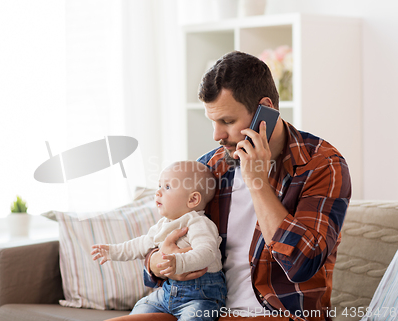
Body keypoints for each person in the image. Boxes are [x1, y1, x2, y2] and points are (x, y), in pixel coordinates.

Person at [108, 51, 351, 321]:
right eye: (213, 122)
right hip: (203, 309)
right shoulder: (210, 167)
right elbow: (163, 239)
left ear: (266, 111)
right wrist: (156, 263)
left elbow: (301, 264)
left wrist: (257, 182)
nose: (217, 135)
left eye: (228, 121)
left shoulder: (321, 165)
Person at [92, 160, 226, 321]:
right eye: (159, 186)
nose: (158, 192)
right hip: (168, 293)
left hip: (201, 296)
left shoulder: (198, 223)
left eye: (167, 187)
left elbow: (207, 252)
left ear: (192, 200)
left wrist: (178, 262)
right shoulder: (164, 224)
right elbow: (142, 243)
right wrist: (113, 251)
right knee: (143, 307)